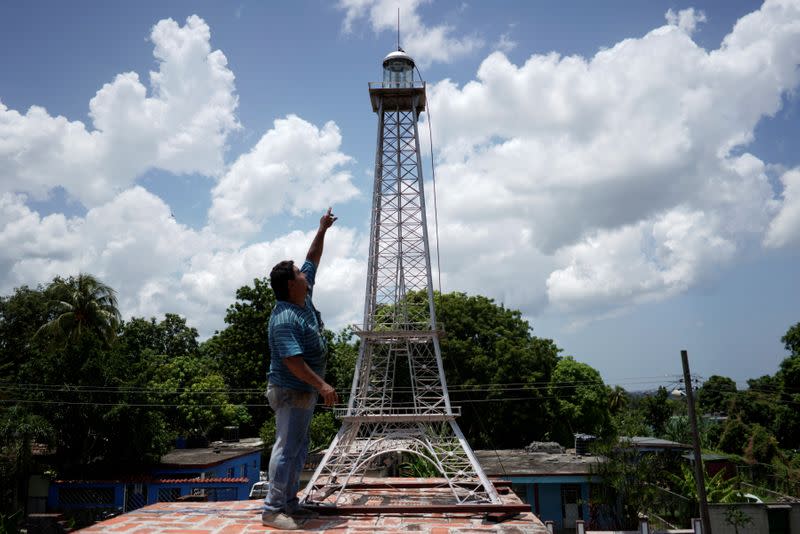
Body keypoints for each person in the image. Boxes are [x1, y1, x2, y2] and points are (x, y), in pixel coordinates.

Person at [262, 207, 340, 530]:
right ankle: (272, 510)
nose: (306, 274)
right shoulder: (283, 319)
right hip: (290, 390)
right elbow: (293, 363)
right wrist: (322, 385)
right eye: (299, 273)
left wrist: (322, 229)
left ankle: (290, 503)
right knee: (286, 446)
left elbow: (312, 256)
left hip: (303, 390)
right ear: (291, 285)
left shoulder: (302, 298)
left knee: (299, 447)